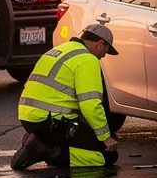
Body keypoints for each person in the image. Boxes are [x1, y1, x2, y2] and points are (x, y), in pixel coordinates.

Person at [13, 24, 121, 170]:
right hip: (51, 121)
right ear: (100, 44)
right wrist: (105, 137)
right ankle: (46, 151)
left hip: (29, 118)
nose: (103, 56)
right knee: (107, 155)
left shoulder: (60, 50)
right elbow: (90, 105)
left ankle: (40, 142)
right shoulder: (87, 59)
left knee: (84, 136)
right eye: (105, 51)